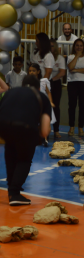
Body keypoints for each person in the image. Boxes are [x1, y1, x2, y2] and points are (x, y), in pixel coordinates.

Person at [0, 75, 51, 205]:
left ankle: (11, 190)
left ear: (23, 85)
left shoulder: (10, 92)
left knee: (10, 152)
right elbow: (45, 130)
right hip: (25, 126)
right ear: (39, 87)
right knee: (24, 158)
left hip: (3, 126)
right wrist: (36, 136)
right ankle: (15, 193)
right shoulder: (42, 97)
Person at [67, 39, 84, 137]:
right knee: (72, 106)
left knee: (82, 106)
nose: (79, 47)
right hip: (72, 83)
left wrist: (76, 70)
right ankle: (71, 127)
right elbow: (70, 67)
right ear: (74, 47)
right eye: (77, 45)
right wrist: (77, 56)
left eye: (81, 46)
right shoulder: (70, 57)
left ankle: (80, 127)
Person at [28, 63, 55, 146]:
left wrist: (50, 102)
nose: (31, 72)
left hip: (44, 104)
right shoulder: (27, 82)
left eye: (34, 71)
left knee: (45, 122)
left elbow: (48, 93)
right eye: (30, 71)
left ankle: (45, 139)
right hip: (33, 105)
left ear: (38, 72)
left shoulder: (43, 81)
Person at [50, 39, 66, 139]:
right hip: (43, 83)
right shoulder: (41, 56)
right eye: (48, 46)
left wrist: (51, 80)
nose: (50, 48)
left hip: (55, 83)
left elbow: (62, 72)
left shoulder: (59, 58)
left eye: (52, 46)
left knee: (55, 107)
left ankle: (56, 130)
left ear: (55, 47)